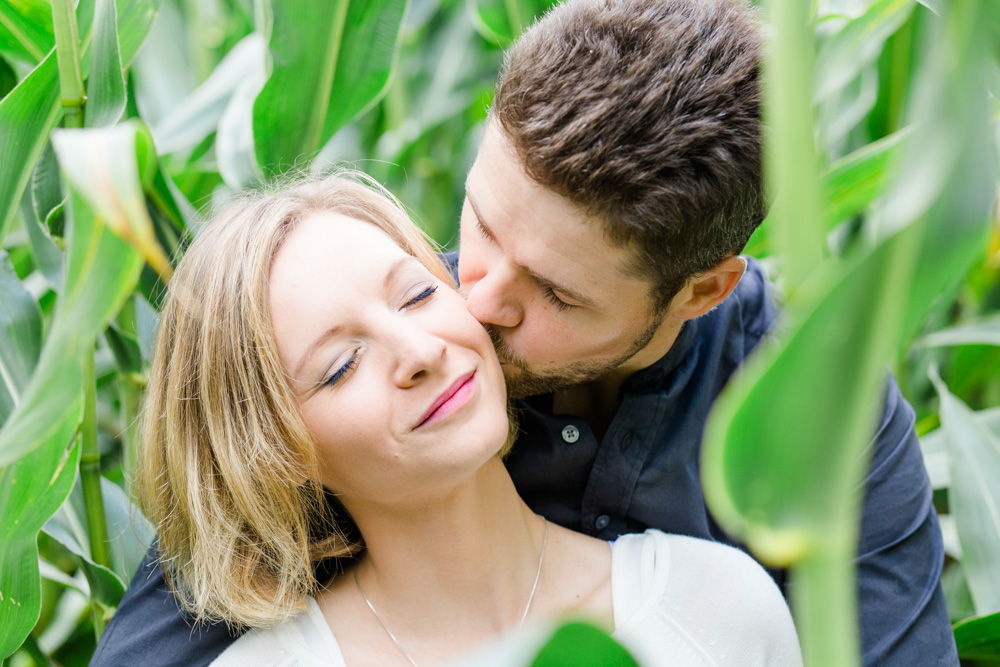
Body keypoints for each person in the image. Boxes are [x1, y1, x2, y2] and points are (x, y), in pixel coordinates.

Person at [92, 0, 955, 665]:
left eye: (555, 292)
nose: (474, 305)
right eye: (480, 224)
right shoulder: (396, 333)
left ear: (700, 291)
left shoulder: (815, 415)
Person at [124, 172, 801, 667]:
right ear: (274, 452)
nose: (419, 352)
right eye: (339, 365)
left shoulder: (719, 605)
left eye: (418, 295)